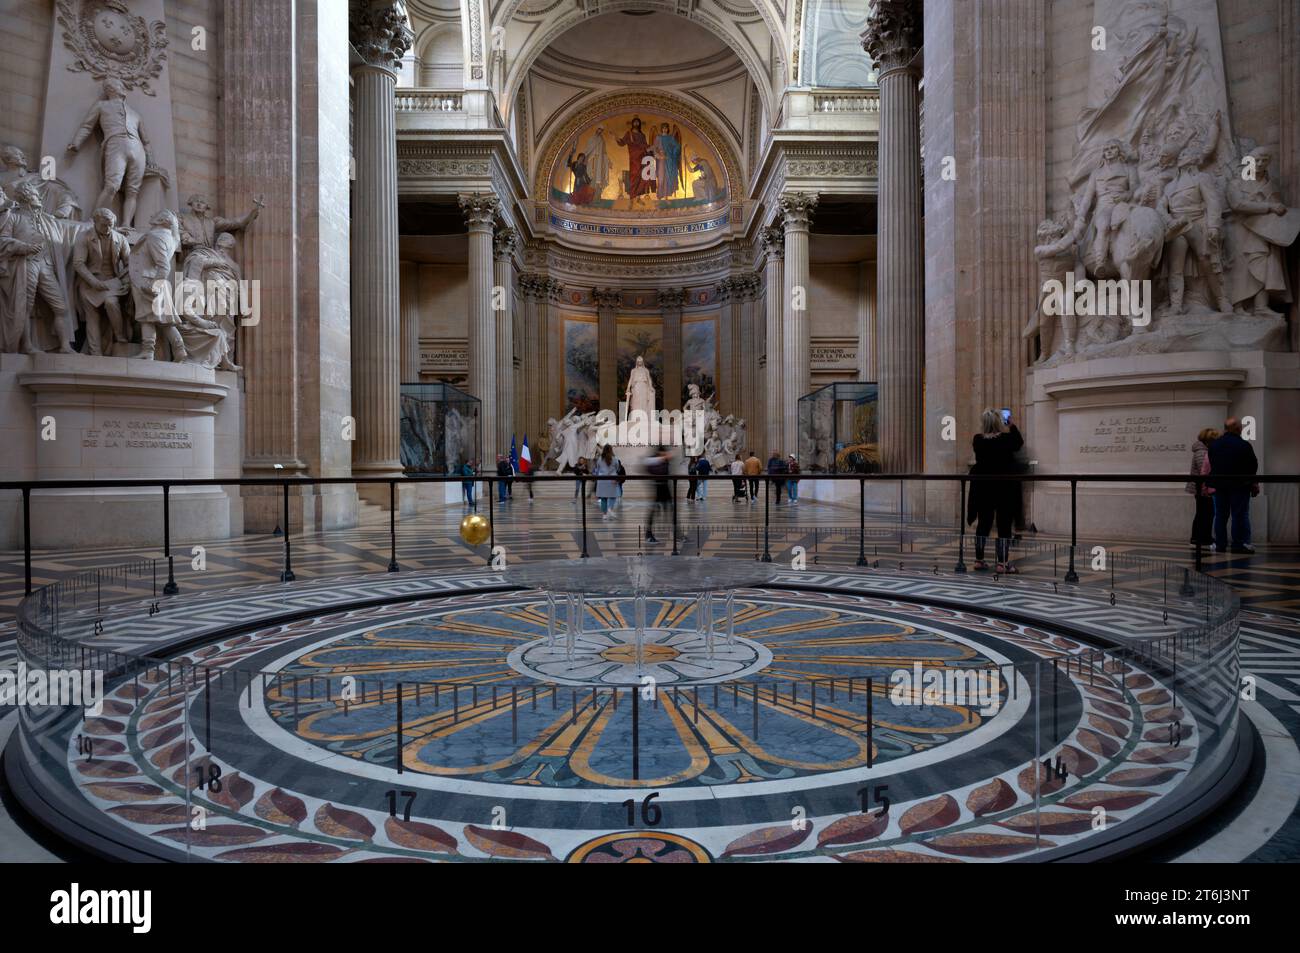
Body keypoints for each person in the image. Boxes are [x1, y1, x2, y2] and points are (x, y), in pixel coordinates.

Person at [967, 409, 1024, 572]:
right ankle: (1002, 563)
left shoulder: (977, 440)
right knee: (1004, 524)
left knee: (983, 523)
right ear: (999, 422)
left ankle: (979, 559)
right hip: (1004, 488)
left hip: (983, 488)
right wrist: (1011, 425)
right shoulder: (1006, 439)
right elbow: (1019, 443)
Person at [1207, 418, 1258, 554]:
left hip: (1220, 485)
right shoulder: (1244, 445)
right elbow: (1252, 465)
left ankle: (1220, 544)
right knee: (1238, 515)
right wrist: (1253, 483)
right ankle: (1237, 544)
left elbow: (1213, 463)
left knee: (1220, 515)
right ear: (1238, 429)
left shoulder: (1214, 445)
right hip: (1239, 485)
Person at [1186, 428, 1218, 549]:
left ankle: (1202, 537)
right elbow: (1203, 471)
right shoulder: (1202, 452)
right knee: (1204, 513)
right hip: (1202, 489)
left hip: (1203, 488)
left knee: (1204, 513)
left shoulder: (1204, 451)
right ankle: (1200, 538)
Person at [644, 446, 673, 544]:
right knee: (654, 512)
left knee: (672, 512)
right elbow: (648, 464)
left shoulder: (664, 460)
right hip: (658, 488)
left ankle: (678, 534)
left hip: (665, 488)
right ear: (660, 452)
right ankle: (648, 534)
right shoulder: (654, 460)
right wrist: (663, 459)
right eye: (664, 453)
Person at [594, 445, 620, 518]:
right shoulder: (615, 459)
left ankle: (604, 515)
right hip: (612, 479)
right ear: (611, 450)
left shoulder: (599, 459)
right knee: (613, 496)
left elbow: (597, 469)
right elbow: (617, 468)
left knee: (603, 498)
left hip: (602, 480)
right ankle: (610, 509)